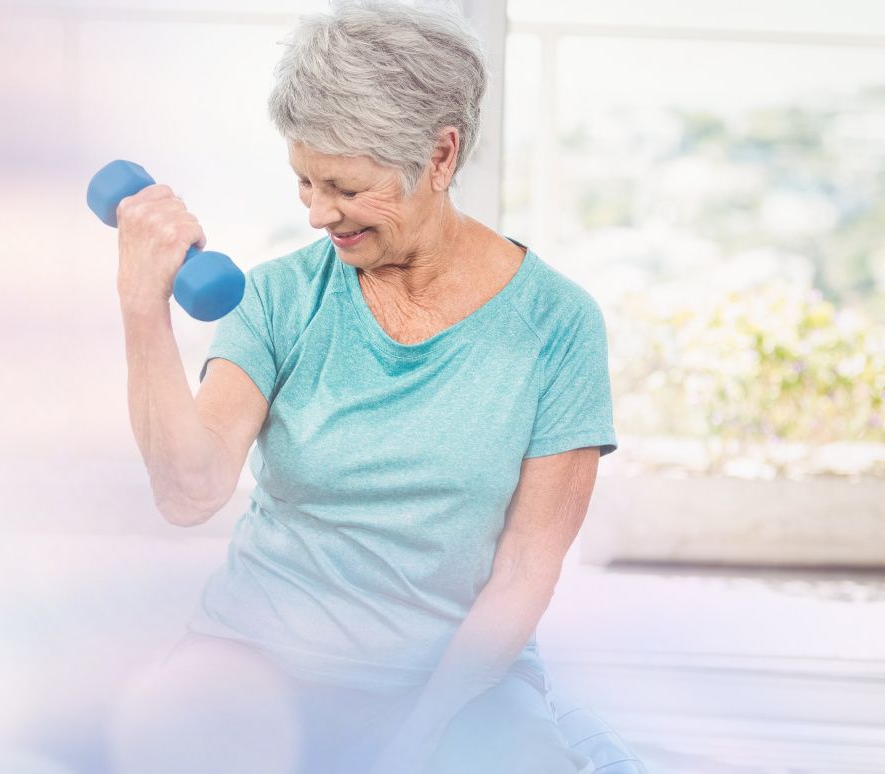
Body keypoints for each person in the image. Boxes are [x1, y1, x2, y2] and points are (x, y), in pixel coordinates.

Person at [107, 1, 616, 772]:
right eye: (304, 182)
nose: (316, 214)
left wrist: (416, 738)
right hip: (255, 657)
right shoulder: (277, 298)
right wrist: (143, 307)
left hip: (454, 680)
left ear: (440, 157)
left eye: (342, 186)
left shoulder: (557, 324)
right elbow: (189, 491)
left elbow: (522, 574)